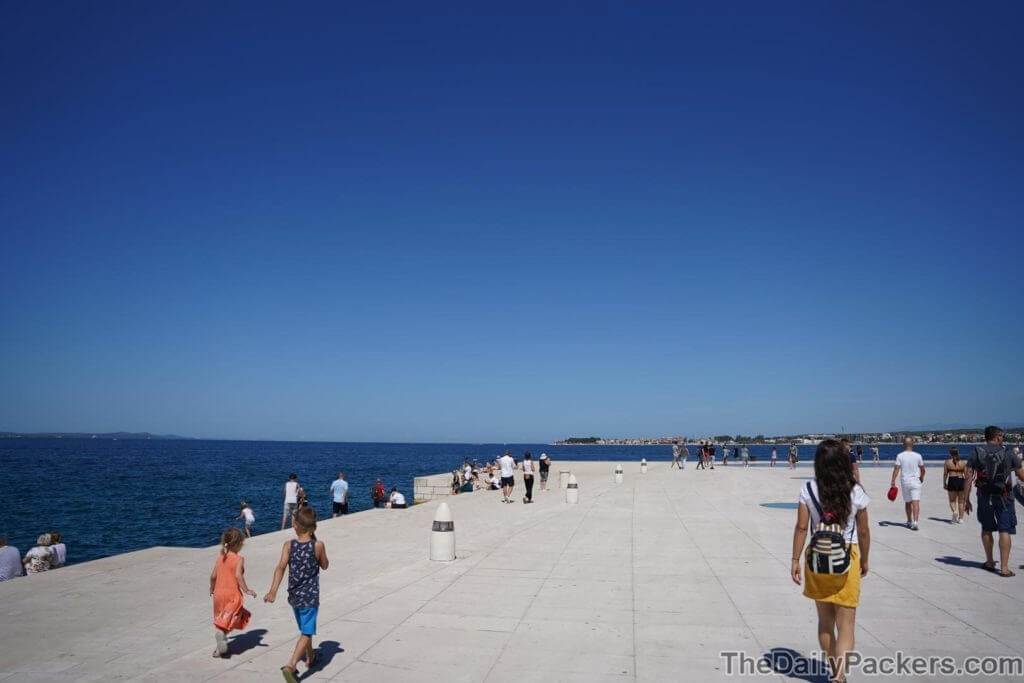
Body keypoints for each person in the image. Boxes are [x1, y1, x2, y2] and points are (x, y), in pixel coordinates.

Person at [790, 439, 870, 683]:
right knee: (846, 624)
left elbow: (802, 527)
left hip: (818, 559)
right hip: (848, 556)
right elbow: (864, 532)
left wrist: (795, 559)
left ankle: (835, 672)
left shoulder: (808, 489)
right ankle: (840, 675)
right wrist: (865, 560)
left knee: (825, 622)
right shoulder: (856, 491)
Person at [264, 506, 329, 683]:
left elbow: (280, 568)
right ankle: (291, 665)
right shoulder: (318, 545)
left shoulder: (289, 545)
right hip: (310, 596)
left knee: (304, 629)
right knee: (307, 632)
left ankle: (310, 658)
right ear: (313, 527)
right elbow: (325, 565)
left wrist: (272, 591)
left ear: (295, 525)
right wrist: (317, 546)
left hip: (294, 596)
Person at [964, 426, 1024, 577]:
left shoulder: (976, 452)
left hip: (984, 496)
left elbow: (969, 476)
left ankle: (990, 562)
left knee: (986, 528)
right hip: (1005, 497)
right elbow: (1020, 474)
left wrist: (966, 499)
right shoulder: (1009, 453)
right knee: (1004, 530)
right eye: (1002, 437)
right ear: (998, 438)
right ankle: (1004, 568)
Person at [210, 527, 257, 658]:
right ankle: (222, 635)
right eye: (242, 543)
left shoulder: (221, 558)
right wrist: (246, 590)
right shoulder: (239, 559)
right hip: (232, 594)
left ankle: (219, 649)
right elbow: (238, 576)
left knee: (223, 619)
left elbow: (213, 576)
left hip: (218, 594)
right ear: (237, 544)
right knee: (234, 618)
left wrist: (211, 588)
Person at [891, 437, 925, 530]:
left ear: (904, 445)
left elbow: (896, 469)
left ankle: (909, 521)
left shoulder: (900, 456)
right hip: (916, 481)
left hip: (905, 481)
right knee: (916, 502)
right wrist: (921, 477)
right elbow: (922, 469)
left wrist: (893, 481)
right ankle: (915, 522)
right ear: (912, 444)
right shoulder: (918, 455)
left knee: (908, 502)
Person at [943, 447, 967, 524]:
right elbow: (966, 475)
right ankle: (961, 519)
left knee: (952, 500)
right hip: (961, 480)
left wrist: (944, 483)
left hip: (952, 480)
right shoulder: (963, 463)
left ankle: (954, 512)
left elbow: (945, 474)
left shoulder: (947, 462)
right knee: (961, 502)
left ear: (950, 453)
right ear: (958, 453)